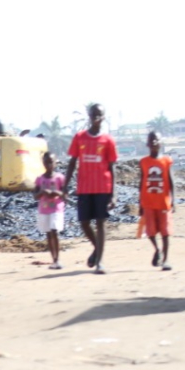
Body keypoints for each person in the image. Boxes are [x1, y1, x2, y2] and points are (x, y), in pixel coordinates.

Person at [62, 103, 117, 275]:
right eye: (93, 114)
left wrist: (113, 194)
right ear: (89, 116)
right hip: (84, 187)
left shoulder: (108, 140)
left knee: (100, 222)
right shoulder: (79, 137)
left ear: (103, 117)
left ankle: (100, 262)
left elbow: (112, 167)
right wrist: (65, 186)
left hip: (102, 187)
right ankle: (97, 248)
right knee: (84, 222)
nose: (96, 117)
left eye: (99, 114)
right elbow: (72, 163)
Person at [140, 131, 175, 271]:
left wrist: (173, 200)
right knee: (150, 232)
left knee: (165, 232)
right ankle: (157, 249)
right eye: (151, 140)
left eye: (157, 139)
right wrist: (140, 203)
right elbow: (141, 182)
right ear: (147, 144)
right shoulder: (144, 162)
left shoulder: (166, 161)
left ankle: (166, 260)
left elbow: (171, 181)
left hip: (163, 203)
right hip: (148, 202)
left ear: (161, 142)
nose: (154, 142)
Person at [34, 152, 66, 269]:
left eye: (51, 162)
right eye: (46, 162)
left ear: (55, 163)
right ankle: (54, 259)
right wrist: (42, 192)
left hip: (56, 208)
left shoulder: (60, 178)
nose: (49, 165)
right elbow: (35, 196)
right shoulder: (39, 179)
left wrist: (56, 193)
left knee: (54, 230)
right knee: (48, 233)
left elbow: (65, 194)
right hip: (44, 209)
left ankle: (57, 259)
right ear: (43, 163)